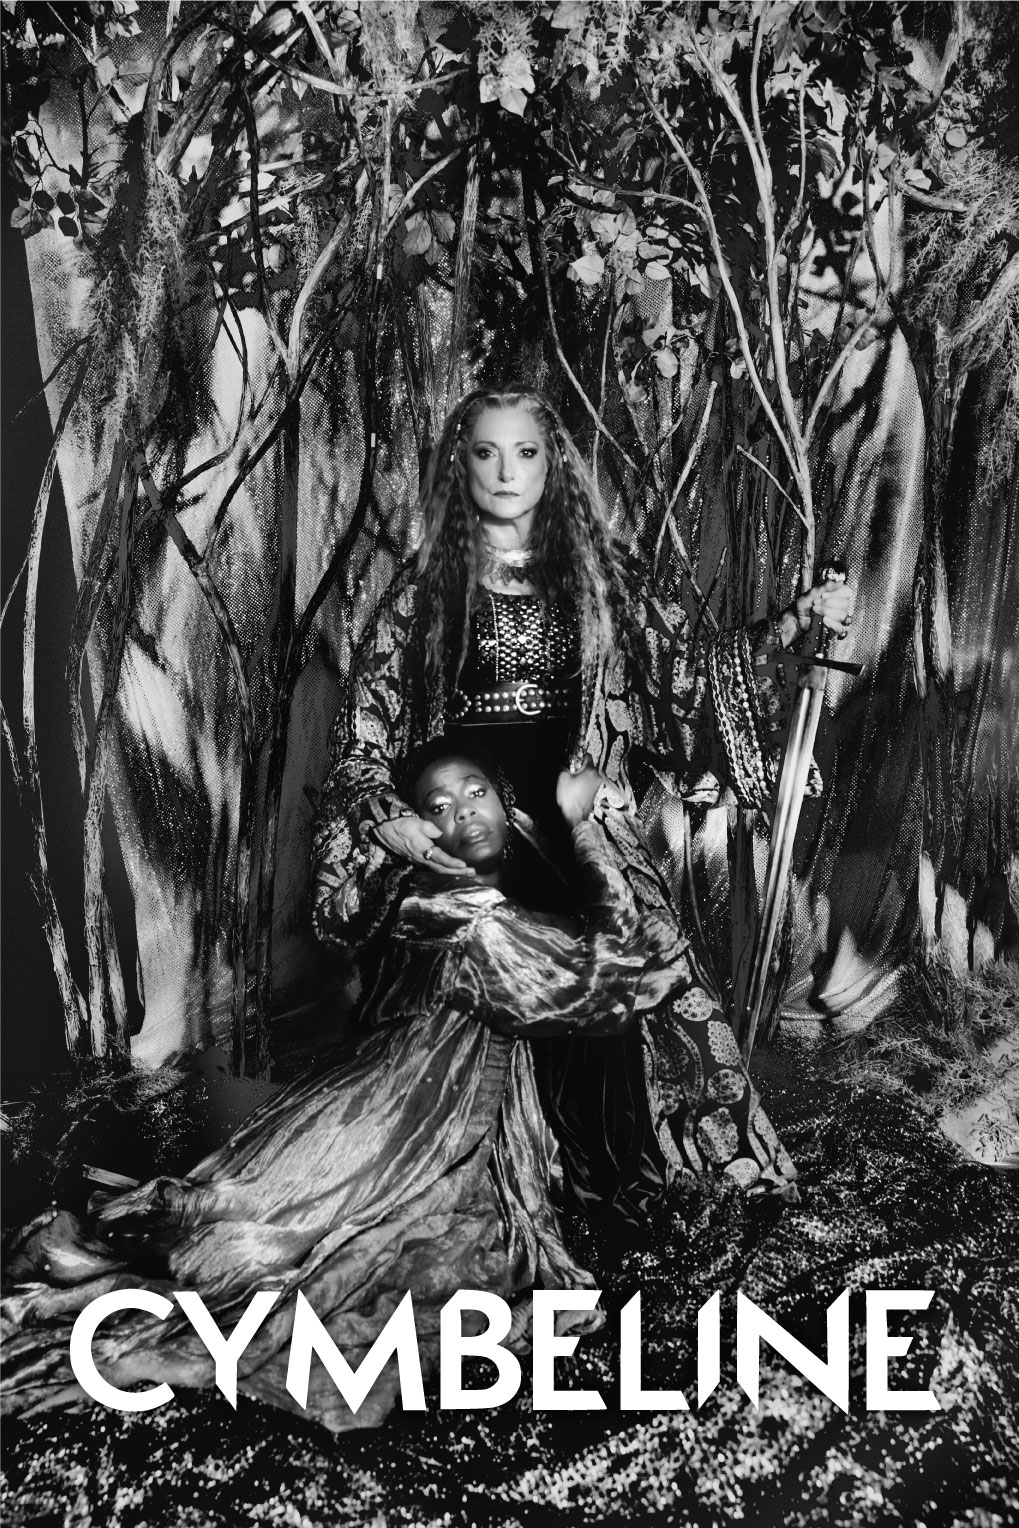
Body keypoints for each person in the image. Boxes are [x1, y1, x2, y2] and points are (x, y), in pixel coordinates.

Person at [2, 746, 789, 1433]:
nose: (462, 813)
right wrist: (585, 828)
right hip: (410, 1128)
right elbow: (618, 977)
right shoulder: (467, 915)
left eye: (475, 792)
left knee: (262, 1248)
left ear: (506, 805)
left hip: (355, 1109)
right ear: (419, 828)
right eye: (437, 806)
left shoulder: (425, 894)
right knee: (375, 1273)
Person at [314, 385, 854, 1219]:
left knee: (642, 959)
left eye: (524, 452)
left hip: (579, 811)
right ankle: (498, 1177)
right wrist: (389, 818)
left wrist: (792, 622)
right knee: (478, 952)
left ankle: (636, 1177)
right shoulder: (423, 594)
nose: (506, 472)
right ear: (460, 466)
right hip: (469, 819)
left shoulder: (604, 579)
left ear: (552, 466)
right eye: (486, 452)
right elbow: (362, 741)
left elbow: (689, 677)